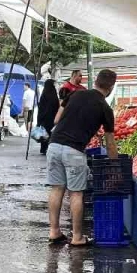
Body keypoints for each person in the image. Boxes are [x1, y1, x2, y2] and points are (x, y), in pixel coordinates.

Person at [48, 69, 118, 248]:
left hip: (54, 145)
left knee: (57, 189)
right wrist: (115, 166)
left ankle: (54, 231)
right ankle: (77, 237)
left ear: (95, 81)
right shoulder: (105, 108)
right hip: (74, 150)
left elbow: (56, 119)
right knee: (76, 193)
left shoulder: (74, 94)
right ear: (111, 88)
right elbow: (110, 144)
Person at [36, 78, 59, 155]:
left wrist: (39, 121)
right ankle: (50, 148)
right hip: (53, 117)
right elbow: (57, 105)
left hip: (45, 118)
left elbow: (41, 109)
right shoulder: (54, 94)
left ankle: (43, 149)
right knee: (51, 134)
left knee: (44, 134)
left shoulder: (44, 94)